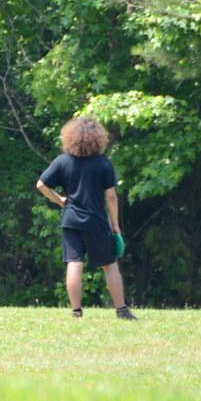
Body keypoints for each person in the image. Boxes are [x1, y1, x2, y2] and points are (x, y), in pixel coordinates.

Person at [36, 117, 137, 320]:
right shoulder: (103, 163)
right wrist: (115, 224)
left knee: (74, 264)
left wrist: (60, 200)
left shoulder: (62, 161)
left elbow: (41, 185)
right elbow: (111, 197)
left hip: (70, 220)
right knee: (110, 265)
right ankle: (122, 311)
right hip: (96, 221)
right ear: (98, 138)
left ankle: (76, 312)